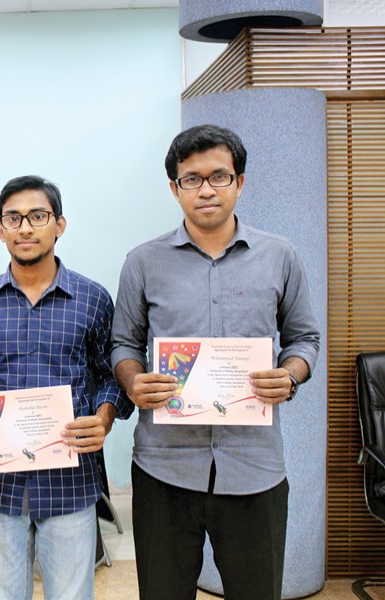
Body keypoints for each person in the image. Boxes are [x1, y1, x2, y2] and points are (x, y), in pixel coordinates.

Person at [111, 124, 320, 600]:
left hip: (255, 466)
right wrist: (132, 380)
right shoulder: (142, 262)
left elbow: (305, 338)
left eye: (219, 176)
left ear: (239, 182)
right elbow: (123, 344)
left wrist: (289, 376)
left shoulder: (280, 256)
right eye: (192, 179)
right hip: (164, 467)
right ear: (175, 188)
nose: (206, 189)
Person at [0, 175, 131, 600]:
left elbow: (110, 377)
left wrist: (103, 419)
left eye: (38, 216)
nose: (25, 227)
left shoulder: (92, 299)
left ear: (59, 225)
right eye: (14, 218)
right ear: (0, 229)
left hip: (70, 482)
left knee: (70, 594)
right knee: (5, 594)